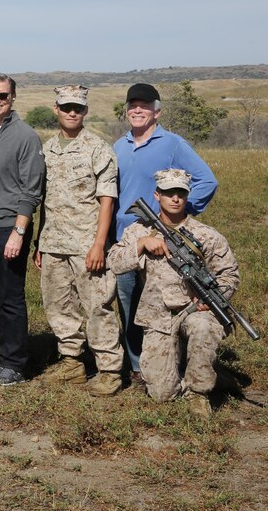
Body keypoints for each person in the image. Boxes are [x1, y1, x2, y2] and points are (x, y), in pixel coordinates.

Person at [107, 169, 237, 416]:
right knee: (162, 395)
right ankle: (208, 370)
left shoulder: (206, 235)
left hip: (194, 311)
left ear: (187, 197)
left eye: (181, 193)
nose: (175, 198)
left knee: (204, 327)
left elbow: (229, 275)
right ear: (157, 195)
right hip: (157, 315)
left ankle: (198, 393)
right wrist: (142, 245)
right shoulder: (139, 230)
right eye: (169, 193)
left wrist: (211, 301)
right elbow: (114, 261)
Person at [114, 82, 218, 385]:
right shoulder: (119, 146)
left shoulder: (172, 143)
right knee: (129, 304)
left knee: (160, 306)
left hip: (162, 241)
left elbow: (206, 181)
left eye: (144, 105)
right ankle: (137, 367)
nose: (137, 110)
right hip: (126, 239)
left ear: (156, 112)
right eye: (132, 104)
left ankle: (175, 363)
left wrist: (178, 217)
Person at [32, 86, 123, 396]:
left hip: (87, 243)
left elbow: (107, 199)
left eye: (79, 108)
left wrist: (99, 243)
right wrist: (39, 243)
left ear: (86, 111)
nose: (72, 112)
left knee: (98, 306)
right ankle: (72, 363)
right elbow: (45, 200)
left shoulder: (98, 148)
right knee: (58, 307)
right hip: (54, 241)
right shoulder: (46, 149)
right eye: (67, 107)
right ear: (56, 109)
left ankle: (110, 368)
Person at [0, 72, 45, 386]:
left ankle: (15, 363)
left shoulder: (26, 136)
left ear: (13, 97)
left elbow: (31, 190)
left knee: (10, 297)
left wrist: (19, 231)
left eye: (3, 95)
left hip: (8, 227)